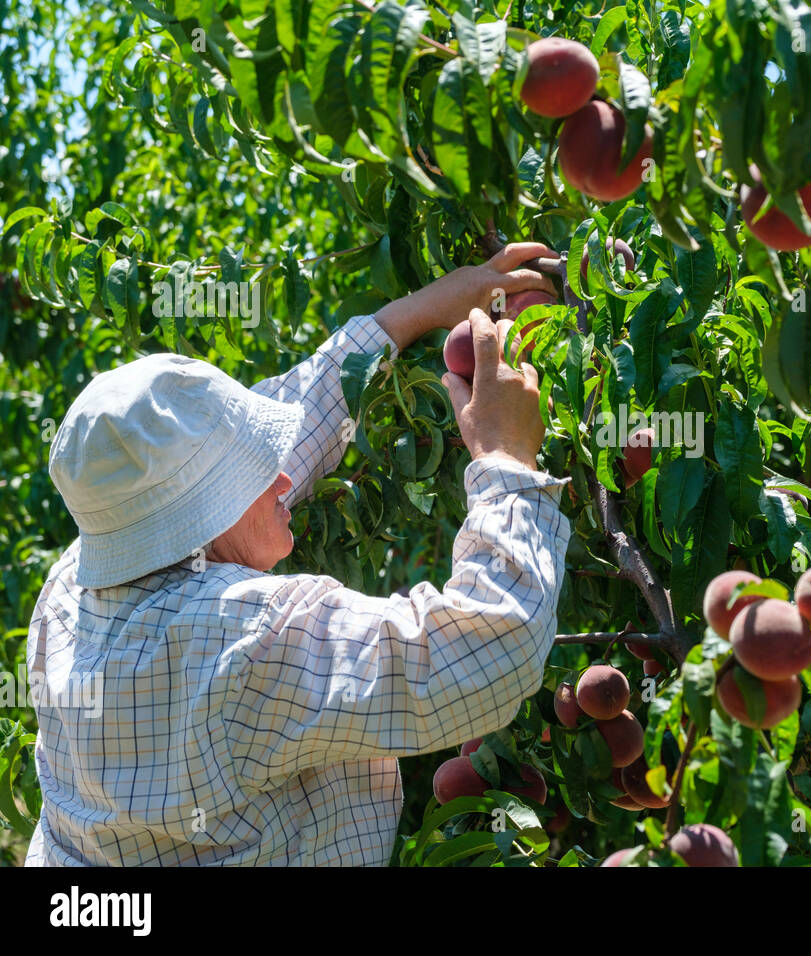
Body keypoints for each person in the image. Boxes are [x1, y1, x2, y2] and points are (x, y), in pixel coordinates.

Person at [23, 242, 571, 865]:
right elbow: (489, 651)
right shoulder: (239, 645)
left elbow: (293, 420)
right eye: (253, 474)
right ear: (203, 525)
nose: (284, 479)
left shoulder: (77, 580)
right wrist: (506, 462)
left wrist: (413, 313)